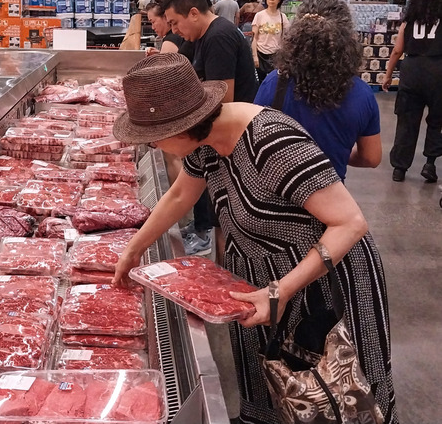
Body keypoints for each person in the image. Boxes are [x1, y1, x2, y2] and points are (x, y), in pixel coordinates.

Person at [112, 53, 397, 424]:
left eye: (153, 139)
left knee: (334, 397)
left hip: (321, 280)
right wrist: (134, 248)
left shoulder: (272, 142)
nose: (152, 147)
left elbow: (350, 223)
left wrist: (282, 291)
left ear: (180, 129)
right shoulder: (204, 142)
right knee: (274, 391)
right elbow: (182, 194)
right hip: (258, 276)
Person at [163, 0, 258, 256]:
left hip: (233, 140)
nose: (175, 31)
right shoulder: (204, 37)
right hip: (222, 138)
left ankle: (223, 269)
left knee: (225, 217)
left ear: (193, 13)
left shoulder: (219, 37)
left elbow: (223, 100)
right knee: (218, 213)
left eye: (175, 23)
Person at [254, 0, 381, 181]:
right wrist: (336, 154)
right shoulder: (362, 94)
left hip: (277, 196)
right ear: (346, 38)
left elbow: (255, 142)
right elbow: (371, 157)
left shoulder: (274, 82)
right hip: (329, 199)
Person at [383, 0, 442, 183]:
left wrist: (388, 75)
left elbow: (397, 50)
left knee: (406, 121)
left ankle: (399, 168)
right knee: (436, 121)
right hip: (438, 71)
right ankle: (430, 164)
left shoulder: (409, 21)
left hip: (412, 70)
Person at [251, 0, 289, 82]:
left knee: (274, 82)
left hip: (276, 55)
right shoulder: (259, 15)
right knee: (260, 82)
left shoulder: (282, 17)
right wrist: (255, 56)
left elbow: (286, 38)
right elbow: (254, 38)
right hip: (261, 54)